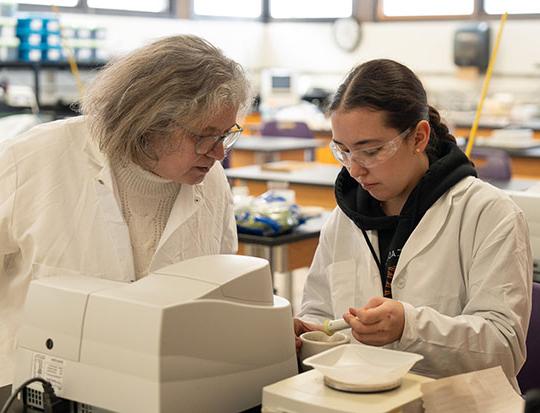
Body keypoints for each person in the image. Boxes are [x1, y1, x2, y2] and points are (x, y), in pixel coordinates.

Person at [0, 35, 250, 386]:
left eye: (227, 133)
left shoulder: (211, 182)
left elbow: (219, 289)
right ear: (149, 123)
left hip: (163, 387)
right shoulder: (29, 160)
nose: (220, 151)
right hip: (35, 386)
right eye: (205, 136)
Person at [294, 59, 532, 389]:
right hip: (356, 399)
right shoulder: (345, 218)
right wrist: (309, 333)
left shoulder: (488, 213)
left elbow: (504, 348)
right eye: (343, 151)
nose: (354, 169)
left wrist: (411, 327)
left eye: (371, 151)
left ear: (418, 137)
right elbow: (319, 311)